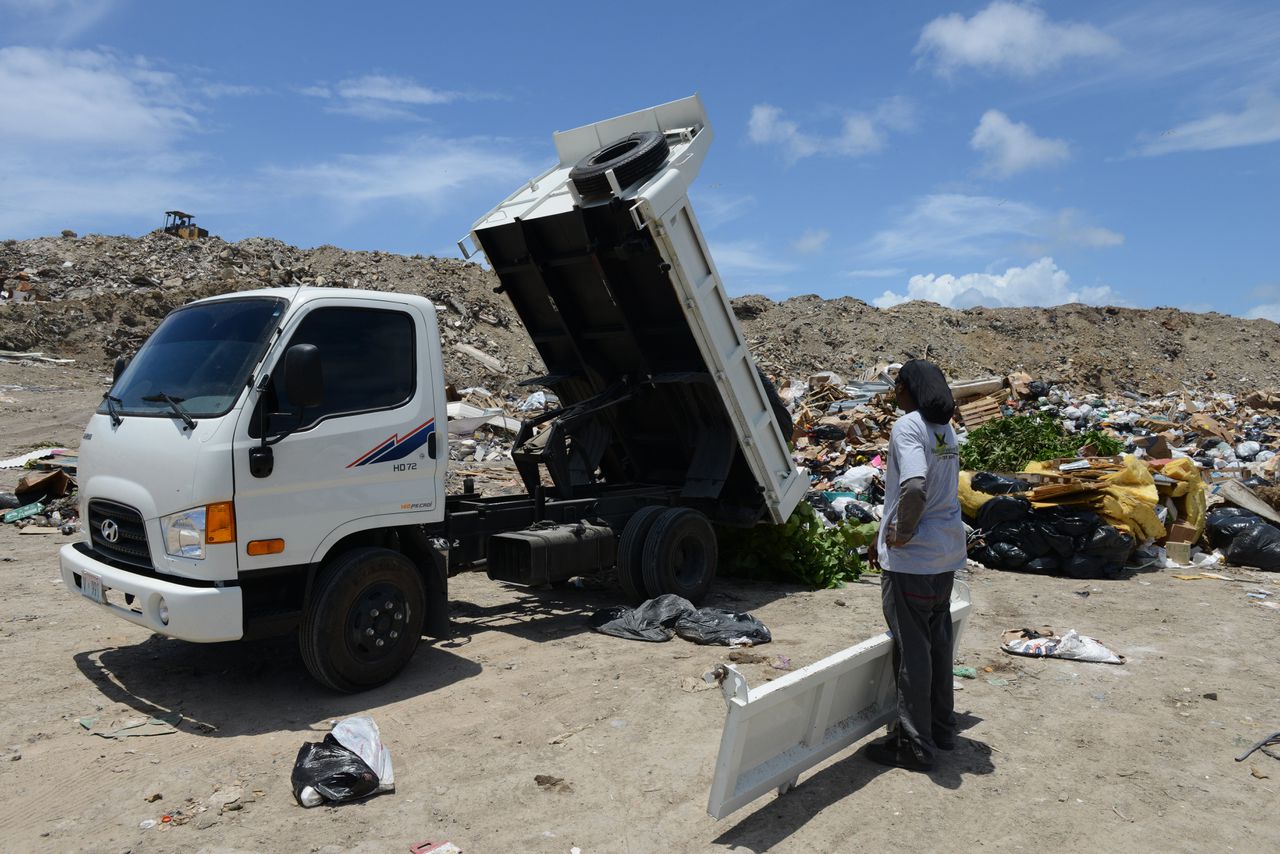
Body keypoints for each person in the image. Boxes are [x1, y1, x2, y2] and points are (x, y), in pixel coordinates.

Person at [865, 359, 967, 772]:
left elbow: (914, 486)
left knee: (913, 654)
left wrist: (901, 535)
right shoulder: (946, 430)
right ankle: (942, 729)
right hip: (944, 556)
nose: (894, 393)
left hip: (915, 561)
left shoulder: (908, 426)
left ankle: (915, 746)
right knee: (939, 645)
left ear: (908, 388)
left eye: (897, 386)